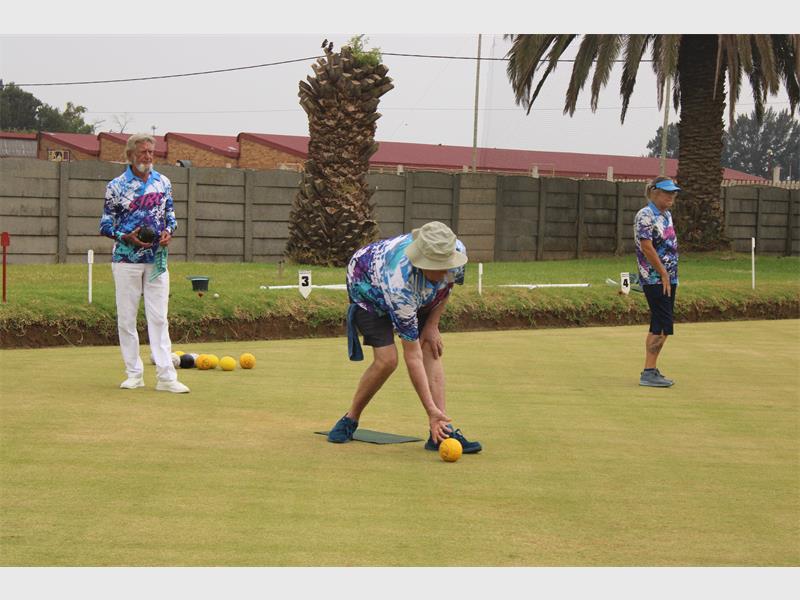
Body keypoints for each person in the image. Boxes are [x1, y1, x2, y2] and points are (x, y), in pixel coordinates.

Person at [327, 221, 482, 453]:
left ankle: (441, 430)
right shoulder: (400, 283)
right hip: (368, 287)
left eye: (446, 266)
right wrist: (429, 410)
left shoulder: (455, 253)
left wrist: (432, 325)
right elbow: (413, 356)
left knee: (430, 345)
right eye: (437, 267)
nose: (444, 272)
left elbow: (446, 288)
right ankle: (351, 418)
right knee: (387, 361)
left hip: (413, 290)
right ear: (421, 262)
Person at [99, 133, 189, 393]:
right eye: (143, 152)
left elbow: (171, 216)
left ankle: (166, 377)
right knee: (127, 319)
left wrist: (169, 231)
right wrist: (125, 236)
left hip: (157, 259)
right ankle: (134, 374)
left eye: (151, 151)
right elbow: (105, 224)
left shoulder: (163, 182)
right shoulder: (116, 186)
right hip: (126, 259)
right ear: (130, 155)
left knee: (159, 318)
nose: (148, 156)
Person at [633, 176, 681, 388]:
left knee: (659, 324)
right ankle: (648, 372)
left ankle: (650, 369)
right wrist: (662, 273)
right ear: (654, 192)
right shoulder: (645, 215)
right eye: (667, 192)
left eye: (673, 192)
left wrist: (669, 275)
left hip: (668, 277)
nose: (671, 196)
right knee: (662, 324)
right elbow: (647, 247)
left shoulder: (666, 215)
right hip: (655, 278)